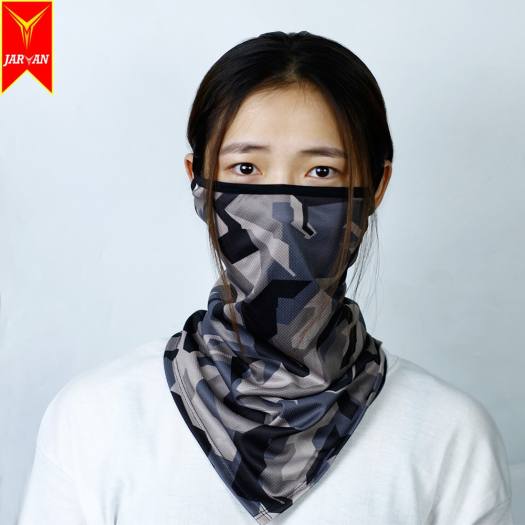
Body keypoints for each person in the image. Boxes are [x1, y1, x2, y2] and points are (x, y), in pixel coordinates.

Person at [18, 30, 513, 525]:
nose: (283, 212)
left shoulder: (450, 438)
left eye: (322, 172)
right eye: (246, 167)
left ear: (377, 185)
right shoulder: (95, 421)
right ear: (198, 181)